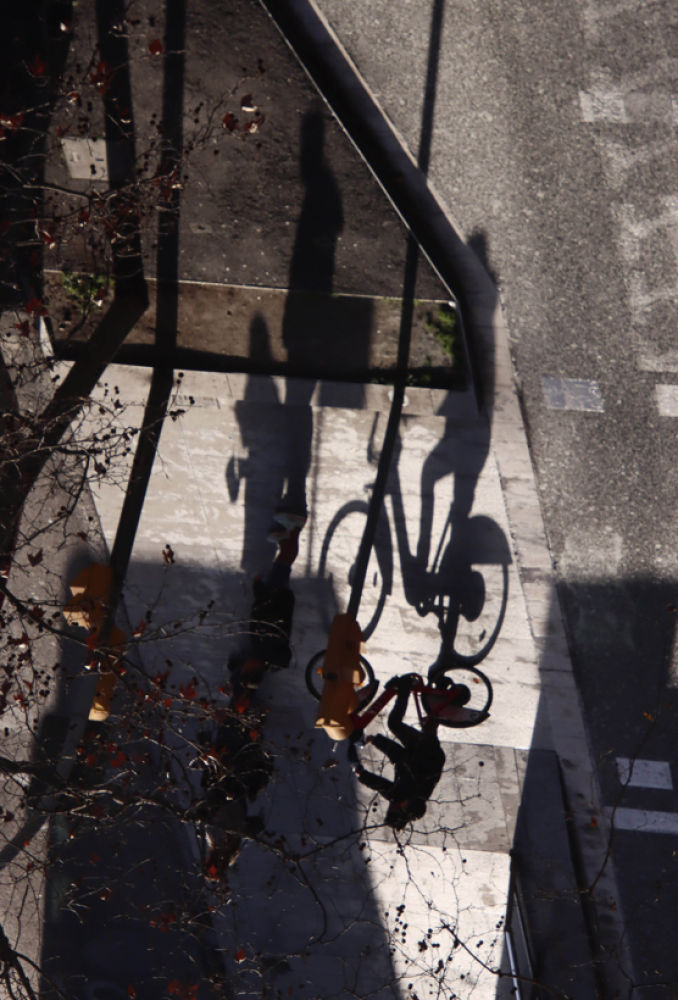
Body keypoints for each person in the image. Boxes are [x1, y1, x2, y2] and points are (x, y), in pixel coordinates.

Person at [229, 509, 306, 704]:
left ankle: (284, 540)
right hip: (277, 597)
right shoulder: (270, 651)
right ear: (253, 669)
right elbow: (269, 616)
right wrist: (261, 591)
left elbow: (258, 615)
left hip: (273, 596)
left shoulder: (260, 650)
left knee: (282, 565)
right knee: (285, 562)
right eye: (245, 668)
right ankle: (295, 527)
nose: (244, 664)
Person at [353, 674, 446, 830]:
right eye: (393, 810)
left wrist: (361, 775)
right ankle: (407, 686)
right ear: (400, 811)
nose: (391, 806)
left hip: (416, 753)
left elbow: (379, 785)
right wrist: (376, 741)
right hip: (428, 754)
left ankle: (433, 692)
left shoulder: (395, 796)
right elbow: (398, 756)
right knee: (398, 724)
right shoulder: (414, 801)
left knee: (401, 725)